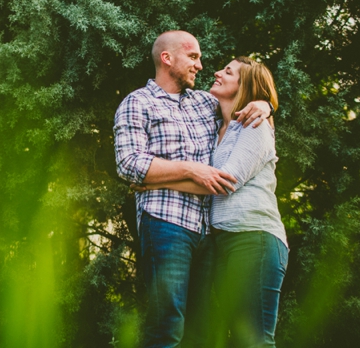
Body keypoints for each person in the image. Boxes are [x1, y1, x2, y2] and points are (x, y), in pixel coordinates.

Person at [113, 31, 272, 348]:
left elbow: (243, 93)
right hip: (165, 224)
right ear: (167, 58)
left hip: (207, 232)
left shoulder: (203, 102)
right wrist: (191, 169)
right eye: (193, 57)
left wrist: (264, 104)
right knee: (167, 325)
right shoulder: (137, 103)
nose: (200, 66)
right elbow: (128, 162)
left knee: (200, 332)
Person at [141, 56, 287, 347]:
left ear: (245, 85)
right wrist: (267, 103)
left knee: (254, 340)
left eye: (228, 72)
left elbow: (224, 182)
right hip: (222, 241)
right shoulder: (220, 125)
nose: (217, 72)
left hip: (253, 238)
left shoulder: (254, 126)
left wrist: (153, 179)